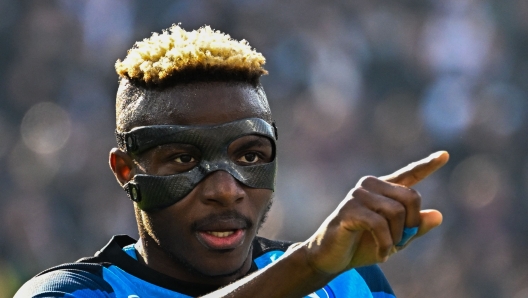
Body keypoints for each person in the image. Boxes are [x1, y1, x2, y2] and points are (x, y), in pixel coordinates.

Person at [15, 24, 448, 298]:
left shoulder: (347, 283)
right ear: (126, 171)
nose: (225, 189)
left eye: (250, 155)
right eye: (183, 158)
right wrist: (309, 266)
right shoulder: (67, 293)